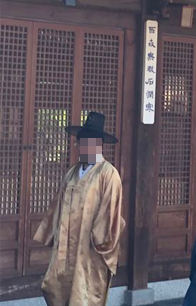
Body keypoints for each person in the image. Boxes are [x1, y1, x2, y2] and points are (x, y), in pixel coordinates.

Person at [34, 111, 125, 306]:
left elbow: (109, 216)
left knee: (84, 297)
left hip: (89, 253)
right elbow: (57, 208)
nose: (79, 147)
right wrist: (56, 235)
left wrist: (98, 241)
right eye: (79, 142)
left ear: (97, 144)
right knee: (57, 291)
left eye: (83, 143)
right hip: (65, 250)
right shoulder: (72, 173)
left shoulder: (108, 174)